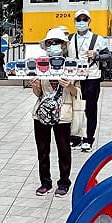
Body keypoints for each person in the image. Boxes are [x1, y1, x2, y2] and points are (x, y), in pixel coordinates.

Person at [30, 28, 78, 197]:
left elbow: (76, 93)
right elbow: (38, 93)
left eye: (55, 43)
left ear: (64, 45)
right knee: (42, 149)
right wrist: (35, 84)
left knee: (63, 149)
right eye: (49, 43)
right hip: (41, 112)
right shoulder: (40, 64)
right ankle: (45, 182)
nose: (52, 46)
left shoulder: (71, 64)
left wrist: (68, 85)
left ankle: (64, 182)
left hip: (62, 112)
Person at [68, 9, 109, 152]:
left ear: (89, 21)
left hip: (91, 77)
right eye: (79, 19)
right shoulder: (70, 39)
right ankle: (75, 137)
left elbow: (109, 56)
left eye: (84, 19)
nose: (81, 22)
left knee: (90, 109)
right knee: (75, 107)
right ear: (74, 21)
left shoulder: (98, 39)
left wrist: (97, 55)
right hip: (74, 78)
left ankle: (88, 138)